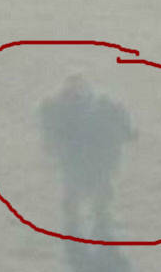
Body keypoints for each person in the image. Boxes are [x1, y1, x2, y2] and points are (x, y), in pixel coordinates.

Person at [39, 75, 133, 237]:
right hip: (74, 158)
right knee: (73, 191)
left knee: (100, 190)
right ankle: (75, 222)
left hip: (99, 157)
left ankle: (100, 220)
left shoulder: (105, 104)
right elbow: (48, 130)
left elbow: (122, 122)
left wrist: (125, 133)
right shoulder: (53, 107)